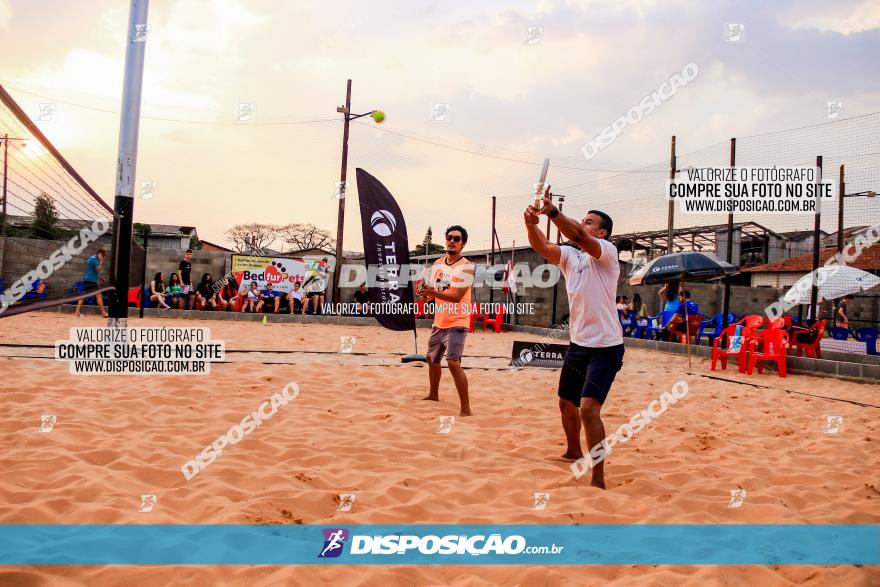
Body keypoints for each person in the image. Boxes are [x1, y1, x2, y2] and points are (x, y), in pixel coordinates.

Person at [525, 187, 624, 490]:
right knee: (565, 403)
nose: (583, 225)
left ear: (603, 233)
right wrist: (530, 224)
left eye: (590, 222)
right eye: (583, 220)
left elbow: (580, 236)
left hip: (606, 347)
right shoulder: (570, 256)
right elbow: (542, 246)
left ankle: (598, 478)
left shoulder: (606, 253)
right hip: (579, 344)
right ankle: (572, 451)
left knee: (589, 409)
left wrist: (552, 211)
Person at [419, 225, 474, 417]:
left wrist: (432, 292)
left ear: (463, 244)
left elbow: (458, 296)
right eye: (449, 237)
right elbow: (433, 292)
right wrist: (425, 295)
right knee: (432, 359)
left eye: (456, 239)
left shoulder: (467, 267)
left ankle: (466, 408)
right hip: (440, 320)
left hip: (458, 320)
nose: (452, 241)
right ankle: (433, 395)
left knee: (452, 362)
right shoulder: (438, 264)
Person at [74, 248, 108, 318]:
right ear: (100, 254)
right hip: (90, 280)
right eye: (103, 256)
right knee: (98, 295)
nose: (103, 257)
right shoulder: (93, 259)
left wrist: (101, 278)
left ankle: (77, 311)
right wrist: (101, 261)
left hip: (89, 279)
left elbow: (94, 271)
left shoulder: (93, 259)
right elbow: (98, 270)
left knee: (84, 295)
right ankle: (103, 313)